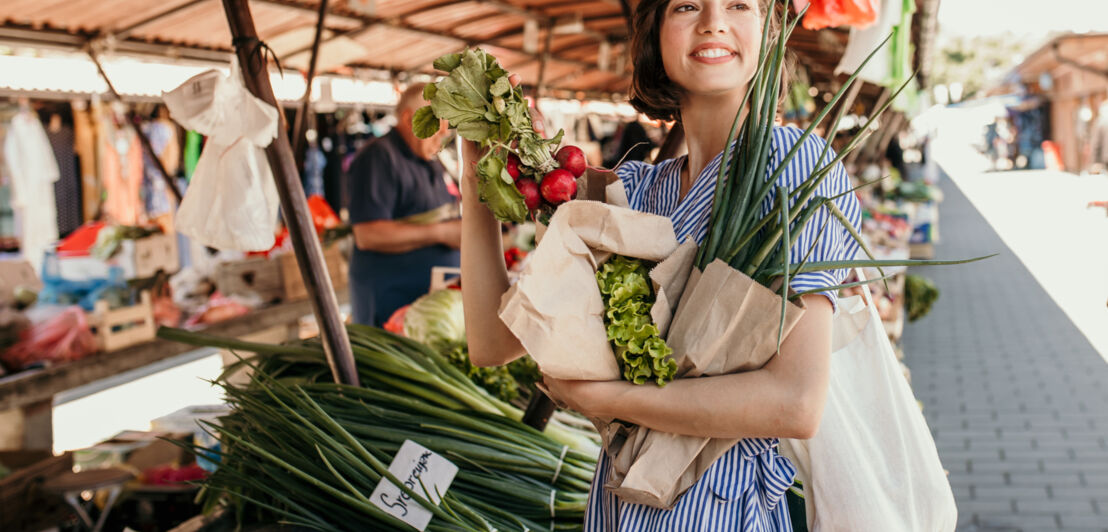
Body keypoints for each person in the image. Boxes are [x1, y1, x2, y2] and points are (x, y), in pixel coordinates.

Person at [459, 0, 861, 529]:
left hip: (720, 513)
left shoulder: (794, 166)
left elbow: (795, 402)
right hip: (619, 508)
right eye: (687, 6)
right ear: (655, 35)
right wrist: (476, 182)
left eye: (739, 3)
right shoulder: (640, 189)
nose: (713, 20)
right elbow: (492, 343)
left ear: (768, 32)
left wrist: (609, 398)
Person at [345, 84, 460, 327]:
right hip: (389, 302)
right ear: (409, 118)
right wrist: (441, 233)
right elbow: (368, 235)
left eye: (445, 130)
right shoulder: (378, 157)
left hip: (424, 304)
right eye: (436, 127)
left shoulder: (428, 158)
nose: (443, 134)